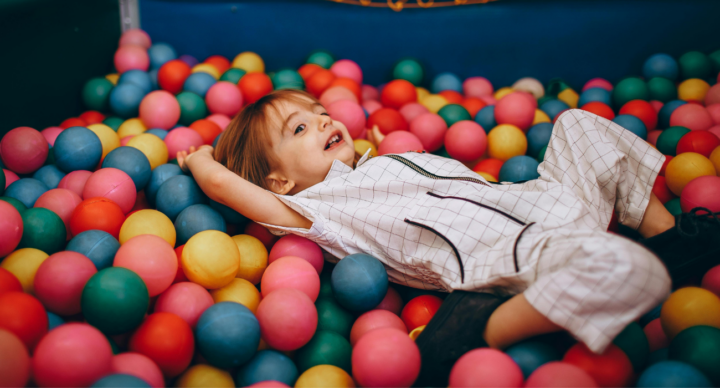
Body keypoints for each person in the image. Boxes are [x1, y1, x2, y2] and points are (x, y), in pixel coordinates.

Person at [179, 89, 719, 385]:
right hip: (515, 255)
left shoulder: (379, 159)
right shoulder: (314, 208)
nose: (321, 122)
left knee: (579, 123)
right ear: (279, 183)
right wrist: (202, 160)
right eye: (299, 129)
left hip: (542, 201)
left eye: (319, 114)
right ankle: (476, 332)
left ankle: (666, 237)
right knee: (631, 271)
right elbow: (229, 187)